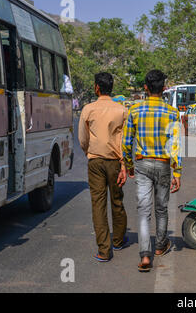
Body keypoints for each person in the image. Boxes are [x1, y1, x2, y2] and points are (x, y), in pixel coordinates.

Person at [122, 70, 182, 272]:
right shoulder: (172, 113)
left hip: (142, 164)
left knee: (143, 210)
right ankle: (160, 246)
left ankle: (145, 255)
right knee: (161, 208)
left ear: (146, 88)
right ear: (164, 89)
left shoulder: (135, 110)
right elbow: (175, 145)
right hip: (164, 164)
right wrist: (177, 172)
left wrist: (129, 165)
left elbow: (126, 142)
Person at [79, 72, 129, 262]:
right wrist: (124, 164)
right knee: (117, 200)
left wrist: (89, 152)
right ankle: (118, 240)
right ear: (111, 87)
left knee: (98, 204)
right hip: (116, 161)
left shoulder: (88, 109)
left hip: (95, 161)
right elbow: (125, 140)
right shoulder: (121, 110)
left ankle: (103, 250)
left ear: (96, 88)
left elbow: (83, 138)